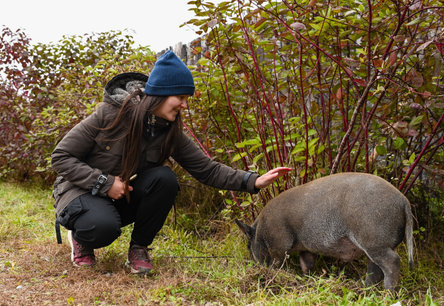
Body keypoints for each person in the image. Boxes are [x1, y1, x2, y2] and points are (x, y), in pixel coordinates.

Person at [51, 51, 291, 274]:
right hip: (79, 192)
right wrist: (104, 182)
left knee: (164, 179)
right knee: (102, 228)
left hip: (115, 195)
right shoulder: (109, 115)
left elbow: (206, 169)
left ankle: (139, 248)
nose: (185, 105)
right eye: (181, 97)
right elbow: (61, 157)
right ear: (160, 95)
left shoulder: (168, 131)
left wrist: (253, 180)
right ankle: (82, 239)